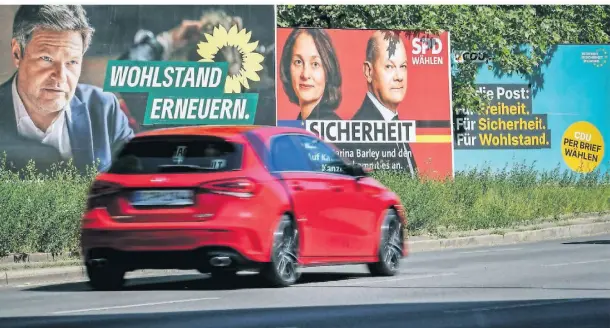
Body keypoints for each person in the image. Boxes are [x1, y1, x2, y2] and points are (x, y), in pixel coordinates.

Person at [0, 5, 134, 173]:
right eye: (46, 58)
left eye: (72, 62)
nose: (60, 76)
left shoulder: (105, 110)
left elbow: (135, 178)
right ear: (17, 53)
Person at [352, 30, 417, 175]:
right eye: (389, 66)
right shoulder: (362, 129)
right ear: (368, 71)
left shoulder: (394, 123)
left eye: (403, 66)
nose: (399, 77)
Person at [279, 28, 342, 120]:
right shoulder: (301, 121)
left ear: (328, 71)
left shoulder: (331, 126)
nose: (305, 74)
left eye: (315, 64)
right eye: (298, 62)